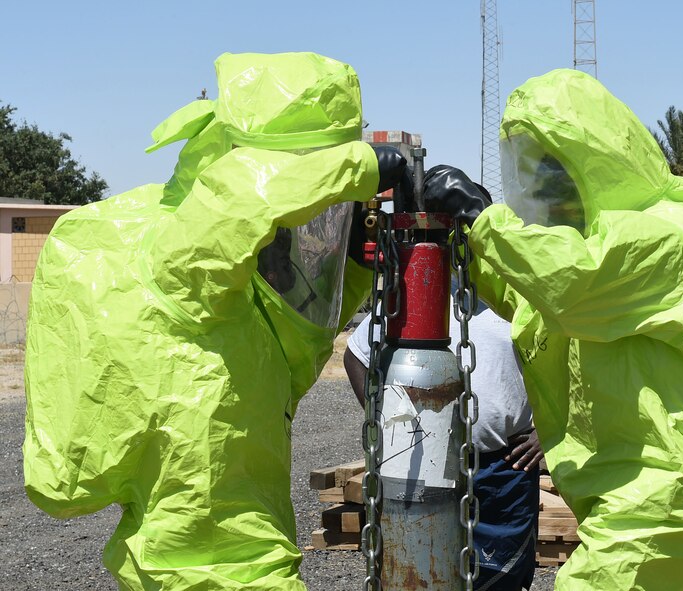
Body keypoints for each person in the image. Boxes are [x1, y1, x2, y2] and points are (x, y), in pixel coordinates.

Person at [422, 69, 683, 590]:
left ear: (594, 161)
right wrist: (467, 246)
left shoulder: (661, 236)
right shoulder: (590, 251)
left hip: (667, 501)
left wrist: (483, 219)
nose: (538, 190)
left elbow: (571, 282)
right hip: (634, 503)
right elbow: (531, 299)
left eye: (552, 170)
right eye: (527, 170)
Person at [23, 52, 409, 590]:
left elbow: (297, 348)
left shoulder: (242, 296)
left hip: (245, 543)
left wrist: (353, 270)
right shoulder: (181, 255)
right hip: (204, 563)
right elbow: (236, 203)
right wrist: (359, 166)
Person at [344, 290, 543, 590]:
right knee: (423, 569)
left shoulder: (520, 297)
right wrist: (383, 423)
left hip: (507, 468)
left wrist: (549, 432)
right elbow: (356, 355)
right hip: (428, 467)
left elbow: (568, 365)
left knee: (503, 576)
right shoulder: (421, 292)